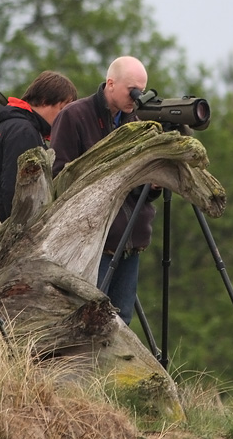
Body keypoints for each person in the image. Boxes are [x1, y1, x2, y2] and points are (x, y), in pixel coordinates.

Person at [50, 56, 161, 325]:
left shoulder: (137, 121)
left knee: (121, 320)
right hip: (92, 240)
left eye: (141, 91)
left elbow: (142, 187)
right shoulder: (75, 116)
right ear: (110, 84)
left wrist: (153, 181)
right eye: (131, 90)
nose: (136, 98)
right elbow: (60, 176)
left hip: (130, 238)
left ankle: (110, 370)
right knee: (88, 318)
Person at [0, 71, 77, 222]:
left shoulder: (11, 124)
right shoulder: (24, 131)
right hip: (12, 232)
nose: (64, 117)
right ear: (45, 101)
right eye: (62, 109)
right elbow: (16, 190)